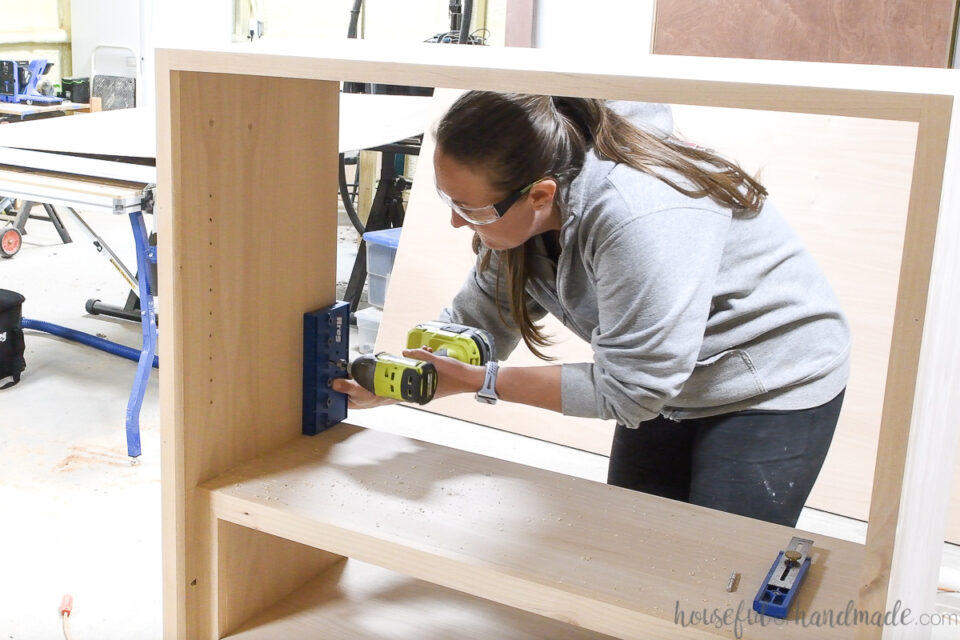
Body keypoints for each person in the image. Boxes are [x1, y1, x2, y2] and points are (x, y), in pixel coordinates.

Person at [333, 91, 850, 528]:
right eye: (448, 200)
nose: (454, 224)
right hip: (665, 379)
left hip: (770, 382)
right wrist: (397, 380)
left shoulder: (639, 216)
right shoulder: (533, 201)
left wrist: (480, 381)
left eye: (469, 210)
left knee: (720, 573)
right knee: (635, 543)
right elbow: (481, 320)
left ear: (540, 194)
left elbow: (632, 390)